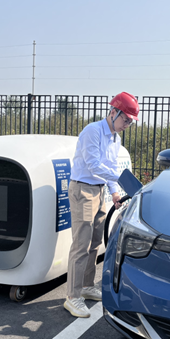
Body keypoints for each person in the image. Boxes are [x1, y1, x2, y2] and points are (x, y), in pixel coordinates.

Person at [63, 92, 140, 318]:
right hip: (83, 189)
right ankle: (72, 297)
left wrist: (115, 192)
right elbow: (94, 164)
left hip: (99, 190)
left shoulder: (115, 139)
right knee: (81, 244)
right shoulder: (93, 131)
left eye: (130, 122)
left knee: (96, 242)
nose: (127, 125)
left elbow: (109, 168)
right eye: (126, 119)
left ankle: (86, 286)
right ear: (113, 112)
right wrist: (122, 179)